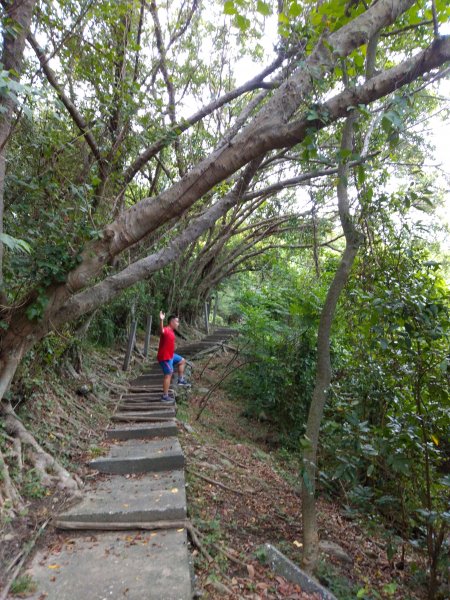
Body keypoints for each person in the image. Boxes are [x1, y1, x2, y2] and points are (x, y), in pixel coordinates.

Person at [157, 311, 190, 402]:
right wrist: (161, 320)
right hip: (164, 358)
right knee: (169, 374)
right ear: (171, 322)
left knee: (182, 361)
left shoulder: (172, 331)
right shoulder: (167, 329)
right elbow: (161, 331)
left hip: (171, 356)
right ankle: (165, 396)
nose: (178, 323)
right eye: (177, 321)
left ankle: (180, 380)